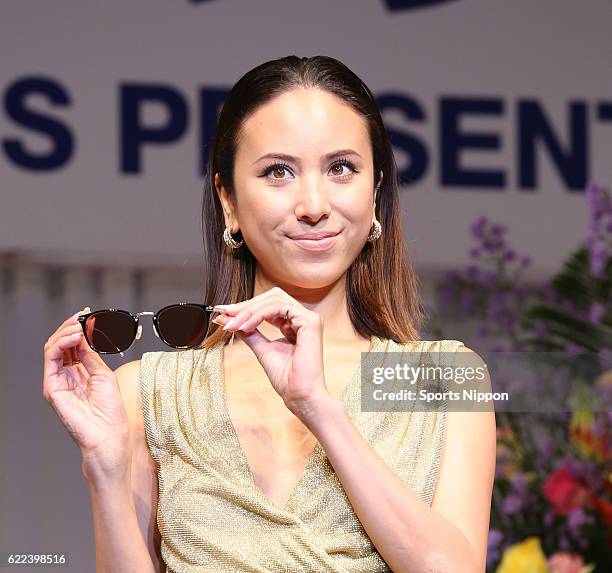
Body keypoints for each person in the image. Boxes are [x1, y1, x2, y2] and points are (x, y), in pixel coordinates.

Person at [43, 55, 496, 573]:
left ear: (375, 193)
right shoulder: (148, 393)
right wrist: (104, 469)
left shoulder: (445, 379)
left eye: (340, 168)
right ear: (228, 201)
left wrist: (318, 406)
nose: (312, 204)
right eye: (278, 172)